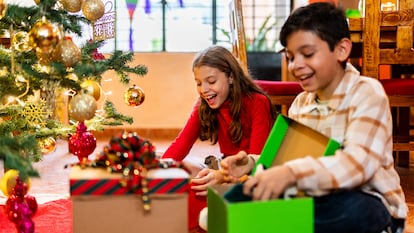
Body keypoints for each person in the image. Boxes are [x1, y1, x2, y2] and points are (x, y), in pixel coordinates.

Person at [220, 3, 408, 233]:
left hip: (369, 200)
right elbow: (288, 159)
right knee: (253, 193)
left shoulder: (366, 92)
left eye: (307, 54)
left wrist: (290, 174)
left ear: (341, 50)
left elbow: (358, 165)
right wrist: (251, 163)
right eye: (290, 57)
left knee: (350, 207)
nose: (296, 65)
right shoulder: (301, 103)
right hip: (317, 194)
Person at [161, 45, 276, 231]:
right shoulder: (203, 105)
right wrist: (158, 170)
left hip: (252, 178)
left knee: (200, 195)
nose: (204, 89)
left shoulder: (257, 103)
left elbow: (258, 161)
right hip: (225, 172)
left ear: (231, 77)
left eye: (211, 81)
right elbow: (181, 144)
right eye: (198, 83)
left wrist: (222, 177)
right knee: (187, 185)